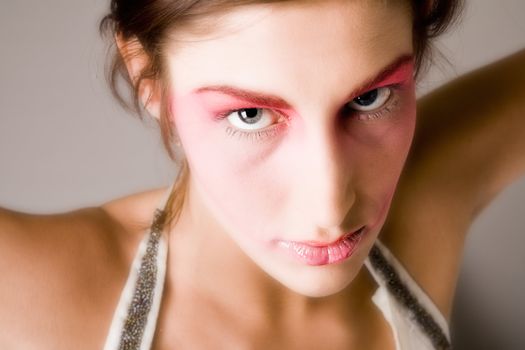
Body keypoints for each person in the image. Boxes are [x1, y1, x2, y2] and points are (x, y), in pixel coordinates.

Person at [0, 0, 524, 349]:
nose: (329, 207)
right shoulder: (28, 290)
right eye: (249, 115)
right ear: (147, 79)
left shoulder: (435, 184)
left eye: (369, 98)